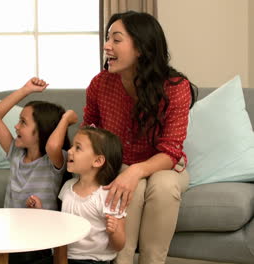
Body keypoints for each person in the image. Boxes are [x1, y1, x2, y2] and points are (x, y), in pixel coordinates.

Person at [82, 11, 198, 264]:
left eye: (116, 39)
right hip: (119, 162)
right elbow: (89, 133)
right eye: (107, 38)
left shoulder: (176, 87)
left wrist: (134, 172)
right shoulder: (100, 84)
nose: (106, 46)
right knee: (128, 188)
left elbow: (170, 151)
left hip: (164, 164)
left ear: (141, 48)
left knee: (164, 186)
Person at [0, 77, 76, 264]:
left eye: (23, 122)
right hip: (11, 234)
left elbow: (52, 144)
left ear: (42, 130)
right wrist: (25, 90)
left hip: (38, 242)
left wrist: (66, 119)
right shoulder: (16, 153)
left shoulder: (53, 162)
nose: (16, 126)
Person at [27, 126, 126, 264]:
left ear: (97, 161)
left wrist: (114, 232)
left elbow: (119, 245)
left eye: (77, 148)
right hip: (62, 256)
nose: (69, 151)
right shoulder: (68, 187)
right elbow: (60, 223)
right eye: (72, 146)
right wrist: (40, 211)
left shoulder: (108, 196)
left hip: (92, 261)